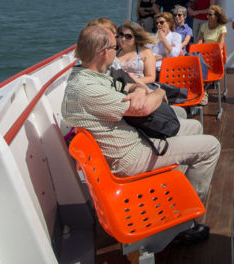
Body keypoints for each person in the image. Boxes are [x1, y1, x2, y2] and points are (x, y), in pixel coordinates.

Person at [61, 25, 220, 244]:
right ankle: (181, 224)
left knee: (193, 127)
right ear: (103, 52)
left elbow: (129, 89)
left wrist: (137, 91)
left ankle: (175, 197)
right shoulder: (87, 89)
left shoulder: (89, 76)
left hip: (134, 141)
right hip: (130, 157)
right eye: (114, 47)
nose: (117, 51)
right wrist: (159, 91)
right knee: (211, 146)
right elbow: (144, 108)